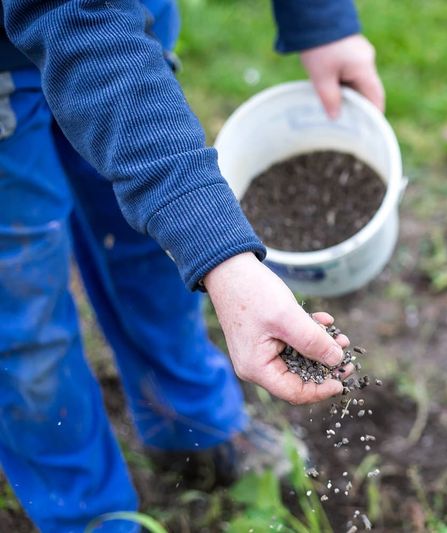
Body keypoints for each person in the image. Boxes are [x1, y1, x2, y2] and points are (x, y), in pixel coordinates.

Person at [0, 0, 384, 530]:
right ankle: (85, 512)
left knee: (150, 244)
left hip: (127, 23)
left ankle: (189, 421)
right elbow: (77, 20)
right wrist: (223, 257)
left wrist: (321, 22)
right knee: (23, 312)